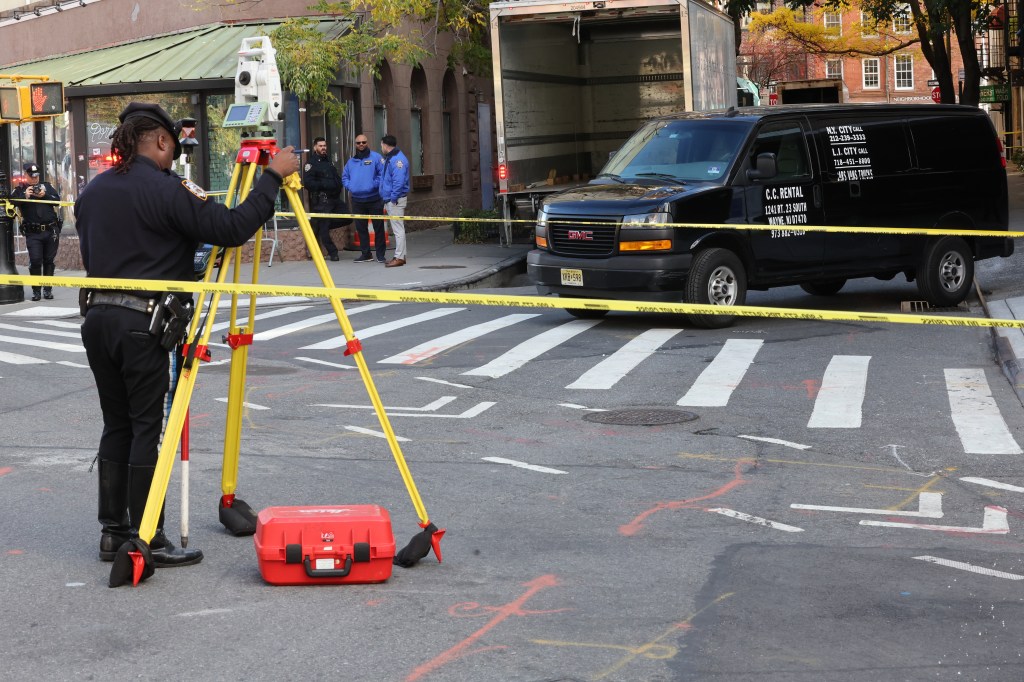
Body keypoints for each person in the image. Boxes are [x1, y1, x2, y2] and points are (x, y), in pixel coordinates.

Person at [75, 102, 299, 578]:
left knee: (116, 424)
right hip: (142, 323)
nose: (174, 156)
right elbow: (232, 228)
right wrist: (271, 177)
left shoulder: (93, 190)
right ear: (160, 140)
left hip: (97, 318)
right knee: (145, 428)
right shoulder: (167, 188)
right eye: (173, 147)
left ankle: (113, 531)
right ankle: (148, 537)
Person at [13, 163, 62, 301]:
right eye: (31, 176)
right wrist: (24, 196)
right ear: (25, 175)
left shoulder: (46, 187)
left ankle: (47, 289)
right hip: (33, 232)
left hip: (50, 230)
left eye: (36, 176)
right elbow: (10, 202)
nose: (34, 179)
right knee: (35, 260)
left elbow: (57, 201)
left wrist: (44, 195)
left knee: (49, 260)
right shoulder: (20, 189)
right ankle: (36, 291)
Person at [342, 133, 385, 263]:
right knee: (361, 229)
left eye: (363, 142)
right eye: (358, 143)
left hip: (374, 199)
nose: (361, 144)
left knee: (378, 228)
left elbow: (382, 174)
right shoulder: (351, 162)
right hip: (357, 200)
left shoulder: (376, 157)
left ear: (367, 143)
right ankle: (366, 254)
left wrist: (373, 185)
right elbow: (345, 177)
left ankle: (380, 255)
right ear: (355, 145)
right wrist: (351, 187)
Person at [303, 136, 342, 261]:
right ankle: (333, 252)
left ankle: (321, 227)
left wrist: (337, 186)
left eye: (324, 145)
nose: (323, 148)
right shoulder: (311, 164)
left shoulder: (329, 161)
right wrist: (324, 185)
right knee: (324, 227)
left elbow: (336, 179)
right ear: (315, 147)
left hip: (334, 199)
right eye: (320, 146)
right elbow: (308, 183)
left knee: (347, 217)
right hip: (321, 201)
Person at [379, 134, 411, 268]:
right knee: (398, 228)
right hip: (392, 198)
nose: (381, 148)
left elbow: (398, 181)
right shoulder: (391, 158)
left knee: (398, 229)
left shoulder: (397, 160)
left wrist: (393, 198)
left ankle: (399, 257)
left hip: (395, 200)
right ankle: (400, 256)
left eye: (381, 145)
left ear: (385, 145)